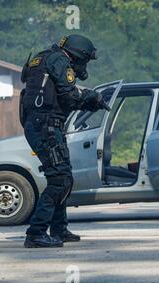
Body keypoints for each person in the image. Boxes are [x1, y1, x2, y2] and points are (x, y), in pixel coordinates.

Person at [20, 34, 109, 248]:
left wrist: (87, 101)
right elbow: (68, 96)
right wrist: (92, 99)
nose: (84, 65)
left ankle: (58, 229)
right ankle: (36, 233)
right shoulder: (59, 61)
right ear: (78, 55)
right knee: (59, 179)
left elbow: (55, 97)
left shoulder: (42, 59)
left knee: (64, 176)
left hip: (42, 124)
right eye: (85, 60)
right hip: (46, 126)